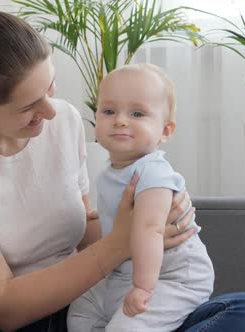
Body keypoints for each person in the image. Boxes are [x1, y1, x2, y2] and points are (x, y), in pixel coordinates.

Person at [0, 10, 245, 332]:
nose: (51, 112)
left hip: (83, 296)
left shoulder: (64, 121)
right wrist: (122, 242)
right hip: (5, 320)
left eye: (50, 88)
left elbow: (87, 225)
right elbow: (2, 305)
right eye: (28, 107)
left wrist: (152, 228)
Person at [67, 64, 214, 332]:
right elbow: (118, 227)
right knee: (80, 314)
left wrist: (143, 287)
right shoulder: (110, 172)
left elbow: (150, 229)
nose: (120, 120)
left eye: (137, 113)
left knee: (126, 329)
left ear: (165, 131)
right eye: (109, 111)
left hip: (171, 276)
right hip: (124, 270)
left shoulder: (152, 172)